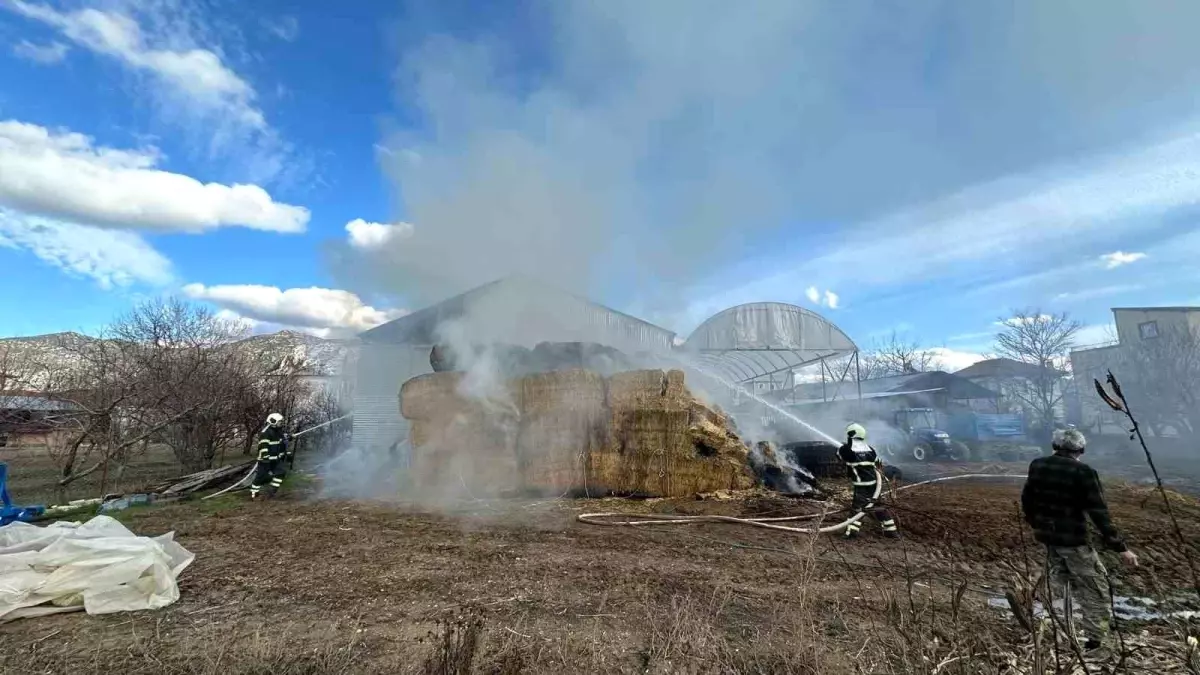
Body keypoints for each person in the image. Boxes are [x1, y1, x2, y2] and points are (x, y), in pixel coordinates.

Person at [1021, 427, 1138, 654]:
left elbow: (1027, 500)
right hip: (1074, 542)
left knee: (1061, 586)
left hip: (1049, 539)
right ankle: (1096, 644)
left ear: (1055, 446)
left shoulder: (1038, 465)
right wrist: (1121, 547)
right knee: (1095, 591)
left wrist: (1038, 524)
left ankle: (1057, 634)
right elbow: (1099, 512)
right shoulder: (1084, 472)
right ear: (1081, 449)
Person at [838, 423, 900, 539]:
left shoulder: (846, 449)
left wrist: (843, 447)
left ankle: (851, 532)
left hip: (861, 486)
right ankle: (891, 530)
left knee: (857, 508)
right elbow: (877, 463)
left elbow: (840, 456)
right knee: (878, 506)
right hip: (875, 485)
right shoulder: (870, 449)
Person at [250, 413, 289, 500]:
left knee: (281, 473)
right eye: (279, 422)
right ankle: (254, 494)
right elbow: (263, 446)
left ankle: (271, 492)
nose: (281, 423)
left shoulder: (278, 431)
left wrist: (288, 437)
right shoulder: (266, 433)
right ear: (273, 421)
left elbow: (281, 440)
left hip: (275, 460)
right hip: (265, 460)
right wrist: (265, 457)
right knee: (260, 477)